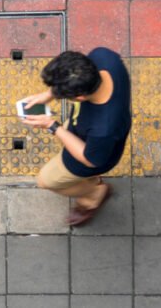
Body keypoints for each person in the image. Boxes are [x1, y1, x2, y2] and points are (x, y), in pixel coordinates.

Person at [19, 48, 132, 226]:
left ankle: (93, 195)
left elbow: (90, 159)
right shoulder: (103, 57)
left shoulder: (104, 128)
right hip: (86, 133)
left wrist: (52, 126)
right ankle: (91, 186)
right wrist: (49, 95)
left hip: (89, 155)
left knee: (46, 181)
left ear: (80, 96)